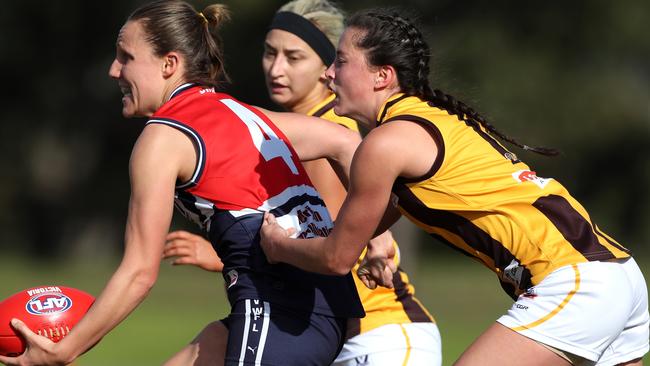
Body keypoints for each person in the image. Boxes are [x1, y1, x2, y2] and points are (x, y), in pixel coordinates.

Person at [260, 7, 650, 366]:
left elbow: (336, 258)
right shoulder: (434, 119)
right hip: (620, 274)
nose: (329, 74)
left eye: (341, 62)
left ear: (382, 76)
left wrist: (277, 246)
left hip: (575, 281)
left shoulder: (385, 143)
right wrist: (368, 240)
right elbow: (375, 219)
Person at [0, 1, 367, 365]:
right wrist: (372, 231)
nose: (114, 70)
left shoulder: (163, 137)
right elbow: (346, 141)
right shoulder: (240, 113)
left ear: (169, 64)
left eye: (125, 57)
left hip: (279, 313)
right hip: (328, 310)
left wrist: (62, 351)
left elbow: (139, 274)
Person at [163, 1, 441, 365]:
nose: (276, 68)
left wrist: (222, 258)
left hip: (380, 334)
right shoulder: (289, 132)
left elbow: (331, 246)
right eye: (269, 53)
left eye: (293, 58)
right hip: (330, 334)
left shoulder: (329, 138)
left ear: (328, 68)